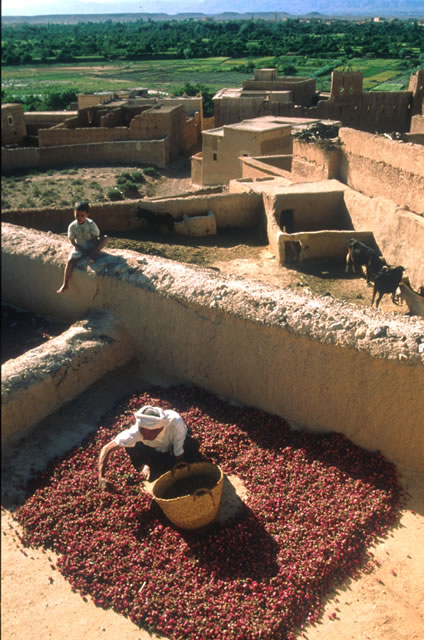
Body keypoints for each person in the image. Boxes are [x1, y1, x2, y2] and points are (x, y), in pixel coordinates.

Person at [98, 405, 198, 490]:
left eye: (147, 435)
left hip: (174, 447)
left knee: (190, 447)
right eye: (142, 433)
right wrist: (101, 476)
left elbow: (179, 454)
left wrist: (179, 474)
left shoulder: (175, 423)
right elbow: (106, 448)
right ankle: (146, 464)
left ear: (158, 429)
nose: (144, 437)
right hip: (154, 452)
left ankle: (162, 465)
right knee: (130, 446)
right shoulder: (138, 432)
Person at [57, 200, 107, 294]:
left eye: (82, 215)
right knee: (70, 262)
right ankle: (65, 284)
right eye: (77, 215)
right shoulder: (72, 226)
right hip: (80, 247)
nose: (79, 218)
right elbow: (73, 242)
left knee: (105, 239)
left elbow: (95, 238)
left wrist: (93, 250)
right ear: (74, 213)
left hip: (91, 245)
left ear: (87, 214)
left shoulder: (91, 224)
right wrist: (82, 251)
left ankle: (92, 255)